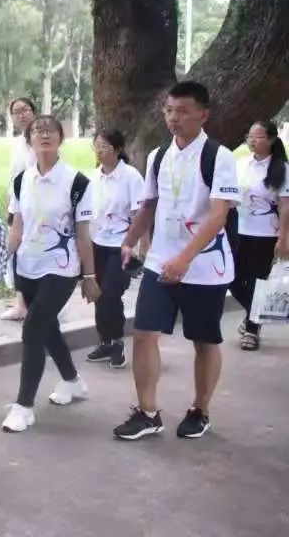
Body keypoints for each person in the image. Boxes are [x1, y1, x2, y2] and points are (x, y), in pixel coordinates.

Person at [114, 81, 239, 441]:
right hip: (159, 263)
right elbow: (149, 204)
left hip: (204, 268)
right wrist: (129, 240)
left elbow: (218, 216)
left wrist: (185, 259)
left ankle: (200, 410)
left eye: (183, 111)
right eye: (169, 110)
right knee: (143, 334)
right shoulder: (158, 156)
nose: (174, 118)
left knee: (204, 340)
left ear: (203, 114)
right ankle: (148, 413)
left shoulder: (218, 157)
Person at [2, 115, 99, 433]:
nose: (43, 135)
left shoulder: (77, 183)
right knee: (47, 328)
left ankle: (24, 407)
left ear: (61, 138)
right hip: (27, 266)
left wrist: (89, 276)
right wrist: (2, 259)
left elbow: (83, 234)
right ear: (29, 139)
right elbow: (17, 227)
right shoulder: (21, 180)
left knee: (33, 328)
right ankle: (72, 381)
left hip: (61, 268)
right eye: (37, 131)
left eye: (50, 131)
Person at [86, 129, 146, 369]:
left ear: (118, 149)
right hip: (96, 243)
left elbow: (140, 213)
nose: (99, 151)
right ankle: (105, 341)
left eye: (104, 146)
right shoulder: (93, 177)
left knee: (111, 293)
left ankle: (117, 341)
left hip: (121, 245)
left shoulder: (131, 177)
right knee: (98, 294)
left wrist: (140, 246)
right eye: (96, 146)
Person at [229, 120, 289, 351]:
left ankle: (252, 330)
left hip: (265, 233)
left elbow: (285, 205)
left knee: (256, 280)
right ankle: (254, 315)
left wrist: (283, 236)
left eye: (258, 137)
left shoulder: (281, 168)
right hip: (238, 230)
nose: (252, 141)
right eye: (250, 136)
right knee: (232, 278)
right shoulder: (240, 164)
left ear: (271, 140)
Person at [1, 97, 38, 321]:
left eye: (25, 110)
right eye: (16, 112)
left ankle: (32, 302)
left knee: (30, 251)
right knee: (16, 252)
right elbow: (13, 176)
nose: (22, 114)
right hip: (17, 204)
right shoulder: (17, 144)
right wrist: (9, 201)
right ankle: (21, 302)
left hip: (35, 207)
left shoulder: (40, 141)